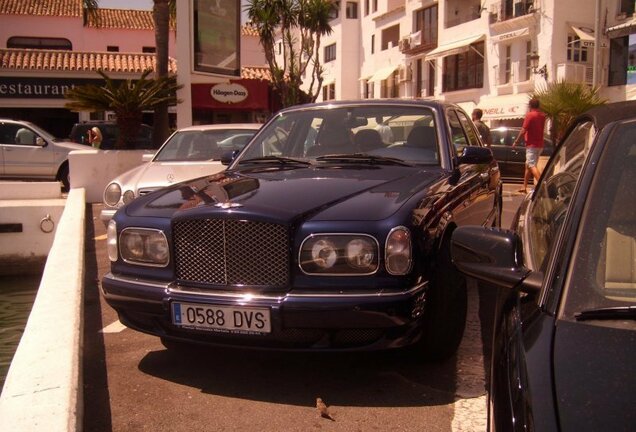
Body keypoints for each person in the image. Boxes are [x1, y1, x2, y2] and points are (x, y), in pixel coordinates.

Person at [513, 98, 546, 193]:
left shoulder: (530, 115)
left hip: (531, 145)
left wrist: (516, 141)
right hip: (540, 144)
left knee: (531, 165)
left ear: (530, 106)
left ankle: (542, 185)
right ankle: (524, 186)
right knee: (528, 165)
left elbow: (523, 130)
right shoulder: (542, 116)